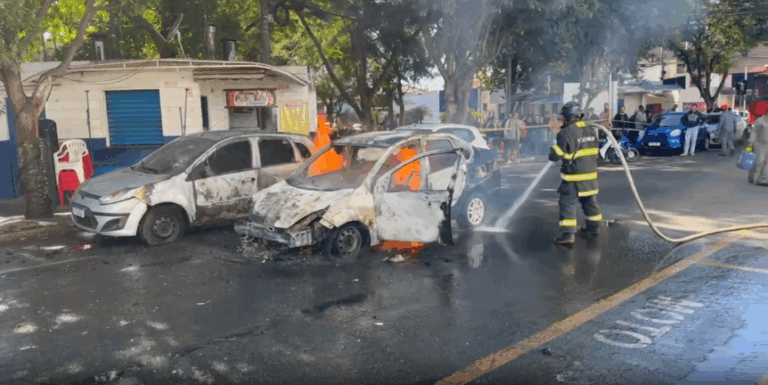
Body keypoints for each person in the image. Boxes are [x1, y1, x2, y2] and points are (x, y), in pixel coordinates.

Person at [549, 102, 602, 245]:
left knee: (567, 203)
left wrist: (552, 150)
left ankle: (568, 234)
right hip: (590, 176)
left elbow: (556, 155)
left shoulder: (566, 132)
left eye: (564, 117)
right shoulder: (590, 129)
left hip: (574, 177)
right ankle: (593, 227)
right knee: (590, 202)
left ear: (568, 116)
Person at [749, 114, 768, 185]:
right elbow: (754, 131)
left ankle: (761, 178)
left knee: (766, 162)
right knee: (759, 162)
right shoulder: (760, 121)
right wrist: (750, 142)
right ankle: (751, 174)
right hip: (759, 144)